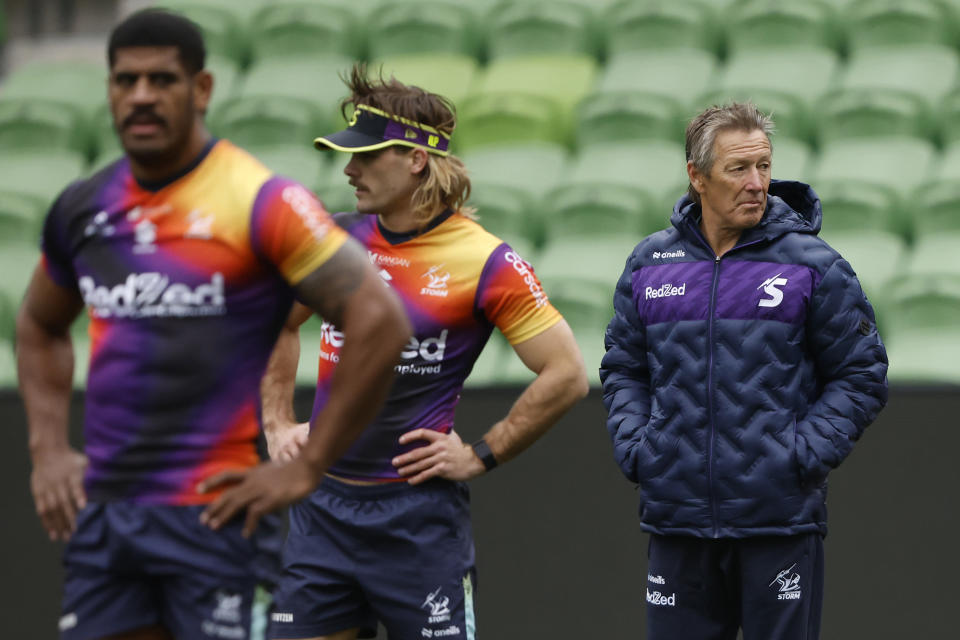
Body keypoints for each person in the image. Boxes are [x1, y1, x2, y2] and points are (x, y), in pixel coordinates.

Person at [16, 10, 410, 640]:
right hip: (107, 518)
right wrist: (47, 451)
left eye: (162, 79)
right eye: (126, 80)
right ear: (110, 90)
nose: (142, 96)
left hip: (217, 516)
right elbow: (38, 325)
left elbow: (381, 324)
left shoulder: (260, 201)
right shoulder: (83, 208)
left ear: (201, 90)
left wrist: (306, 468)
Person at [257, 65, 589, 640]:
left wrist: (483, 453)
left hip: (418, 524)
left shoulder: (486, 261)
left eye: (365, 156)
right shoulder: (332, 241)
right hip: (321, 513)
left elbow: (566, 374)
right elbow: (274, 325)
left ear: (415, 159)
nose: (349, 169)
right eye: (348, 155)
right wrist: (277, 423)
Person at [600, 102, 889, 640]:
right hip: (676, 519)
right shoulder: (649, 264)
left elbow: (862, 372)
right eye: (739, 168)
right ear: (697, 176)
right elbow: (623, 369)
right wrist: (642, 449)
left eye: (764, 166)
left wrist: (799, 455)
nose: (757, 183)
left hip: (777, 521)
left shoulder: (812, 263)